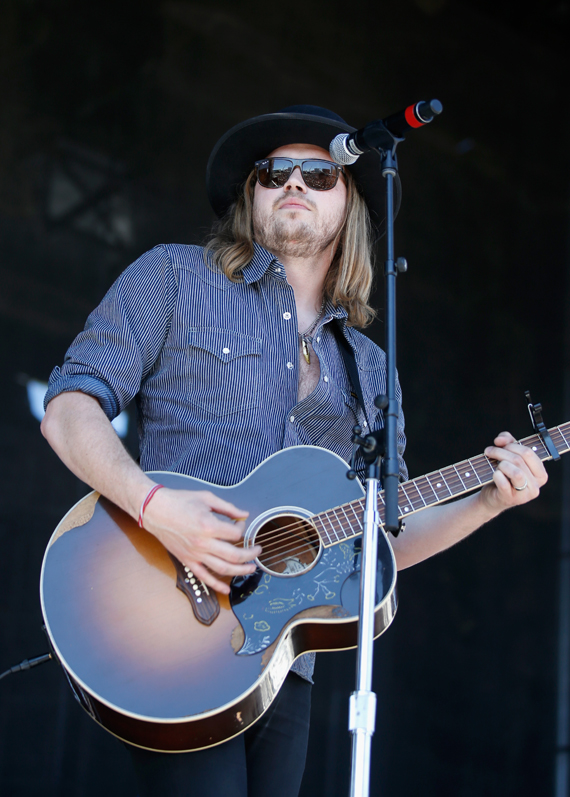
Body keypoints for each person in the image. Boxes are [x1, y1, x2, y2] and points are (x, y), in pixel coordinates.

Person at [40, 105, 548, 796]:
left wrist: (490, 499)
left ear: (353, 202)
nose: (295, 184)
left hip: (285, 659)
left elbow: (382, 534)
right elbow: (69, 409)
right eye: (275, 172)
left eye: (320, 173)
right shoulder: (173, 279)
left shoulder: (369, 369)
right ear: (251, 194)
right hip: (168, 622)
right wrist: (156, 506)